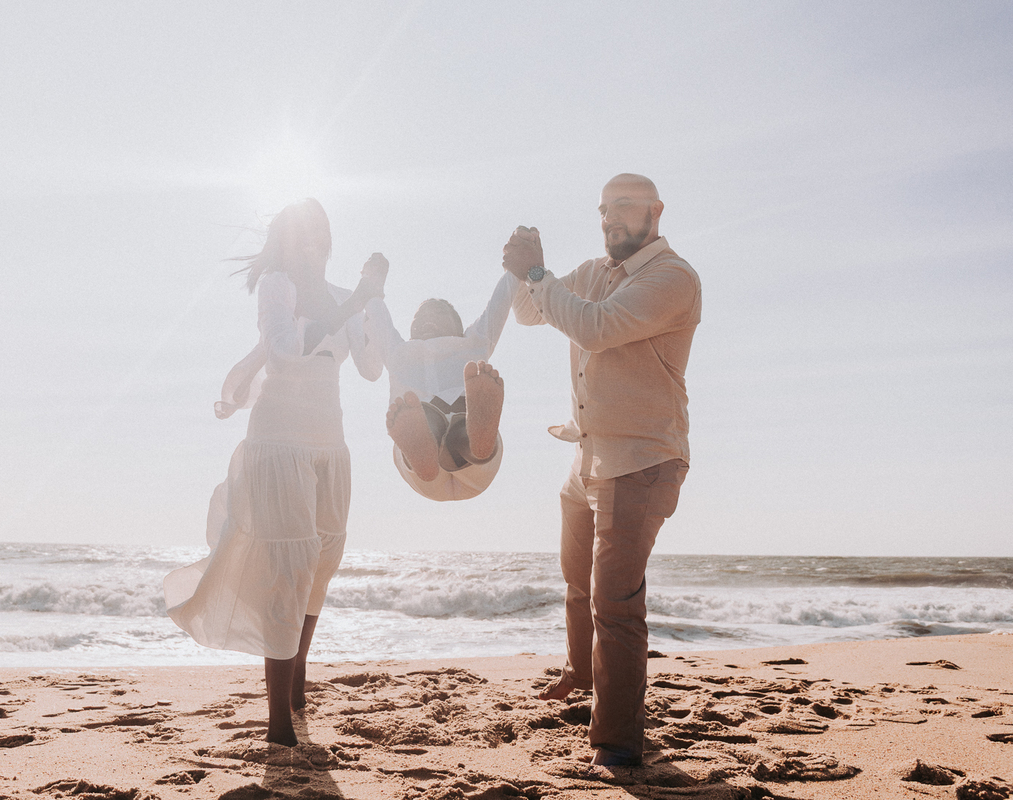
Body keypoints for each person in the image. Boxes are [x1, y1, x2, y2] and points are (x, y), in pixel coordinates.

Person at [163, 198, 386, 747]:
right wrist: (355, 299)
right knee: (288, 567)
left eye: (318, 234)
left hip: (329, 443)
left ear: (327, 241)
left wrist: (373, 302)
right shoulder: (277, 287)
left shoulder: (343, 296)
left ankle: (297, 671)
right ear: (285, 245)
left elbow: (370, 367)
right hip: (278, 441)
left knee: (322, 561)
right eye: (299, 236)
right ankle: (279, 725)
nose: (310, 245)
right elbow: (285, 352)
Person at [502, 174, 701, 767]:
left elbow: (596, 327)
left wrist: (538, 273)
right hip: (587, 455)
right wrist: (522, 270)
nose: (610, 218)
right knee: (578, 581)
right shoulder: (593, 272)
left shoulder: (674, 278)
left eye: (623, 206)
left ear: (655, 211)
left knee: (615, 604)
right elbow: (529, 312)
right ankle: (581, 676)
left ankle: (616, 745)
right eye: (603, 209)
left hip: (641, 460)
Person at [367, 270, 518, 501]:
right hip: (424, 471)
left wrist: (514, 271)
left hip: (473, 463)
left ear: (459, 328)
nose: (426, 319)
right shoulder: (399, 351)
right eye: (418, 318)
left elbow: (499, 303)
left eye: (437, 313)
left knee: (460, 425)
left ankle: (475, 444)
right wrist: (372, 282)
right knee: (428, 419)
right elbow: (379, 321)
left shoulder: (473, 341)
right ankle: (426, 449)